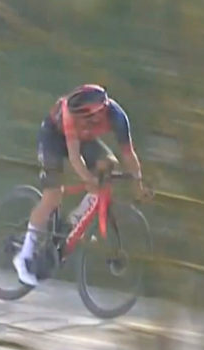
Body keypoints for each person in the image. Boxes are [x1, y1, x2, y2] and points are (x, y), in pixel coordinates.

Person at [14, 84, 149, 287]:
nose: (77, 120)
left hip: (83, 138)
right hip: (53, 136)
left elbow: (129, 155)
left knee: (109, 164)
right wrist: (88, 180)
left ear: (97, 114)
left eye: (82, 118)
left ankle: (75, 220)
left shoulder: (117, 117)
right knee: (53, 195)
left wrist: (138, 184)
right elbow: (75, 158)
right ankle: (23, 258)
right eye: (76, 118)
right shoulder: (69, 112)